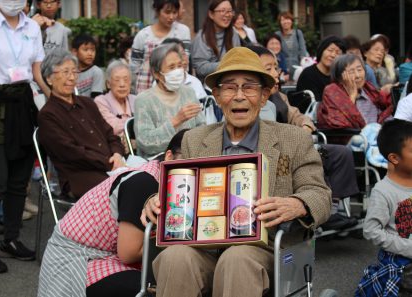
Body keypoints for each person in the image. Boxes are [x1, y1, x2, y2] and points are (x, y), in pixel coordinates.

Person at [142, 46, 331, 297]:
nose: (239, 96)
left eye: (249, 87)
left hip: (264, 250)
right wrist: (156, 201)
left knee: (237, 259)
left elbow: (319, 193)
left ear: (264, 96)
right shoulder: (194, 140)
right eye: (230, 87)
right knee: (175, 257)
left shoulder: (293, 139)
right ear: (218, 96)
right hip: (204, 249)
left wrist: (296, 204)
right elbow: (177, 191)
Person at [38, 130, 187, 297]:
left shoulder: (160, 177)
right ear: (168, 156)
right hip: (79, 261)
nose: (194, 169)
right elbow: (128, 253)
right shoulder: (145, 183)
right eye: (188, 160)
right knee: (162, 289)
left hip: (104, 253)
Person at [0, 0, 50, 273]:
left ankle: (11, 240)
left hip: (22, 104)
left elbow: (36, 72)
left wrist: (54, 99)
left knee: (19, 179)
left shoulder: (32, 26)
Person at [249, 44, 358, 230]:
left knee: (341, 153)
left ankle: (335, 206)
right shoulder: (251, 101)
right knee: (314, 157)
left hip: (296, 144)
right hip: (273, 151)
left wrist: (304, 129)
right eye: (269, 69)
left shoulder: (280, 97)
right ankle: (322, 212)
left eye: (276, 68)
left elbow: (299, 117)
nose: (276, 73)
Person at [38, 49, 125, 199]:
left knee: (145, 180)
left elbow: (109, 134)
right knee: (127, 189)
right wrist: (108, 163)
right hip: (80, 176)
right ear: (49, 79)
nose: (72, 78)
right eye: (65, 72)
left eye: (74, 72)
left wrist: (117, 154)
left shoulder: (88, 103)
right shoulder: (48, 115)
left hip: (111, 166)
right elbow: (72, 153)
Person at [355, 119, 412, 297]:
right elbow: (371, 231)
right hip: (400, 261)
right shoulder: (383, 191)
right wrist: (407, 247)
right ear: (394, 158)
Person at [134, 43, 205, 159]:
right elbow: (145, 143)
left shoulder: (189, 93)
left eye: (179, 66)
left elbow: (202, 127)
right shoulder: (143, 100)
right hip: (158, 161)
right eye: (171, 67)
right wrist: (176, 121)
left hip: (191, 156)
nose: (177, 71)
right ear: (156, 73)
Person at [318, 54, 393, 130]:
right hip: (353, 138)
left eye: (359, 70)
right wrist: (352, 98)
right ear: (340, 77)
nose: (357, 75)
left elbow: (385, 114)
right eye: (351, 72)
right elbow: (340, 124)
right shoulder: (332, 91)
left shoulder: (369, 89)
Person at [130, 0, 190, 94]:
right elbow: (134, 66)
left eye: (174, 12)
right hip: (147, 87)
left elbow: (185, 61)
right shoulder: (143, 35)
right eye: (167, 12)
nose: (171, 17)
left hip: (175, 86)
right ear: (157, 11)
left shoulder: (182, 32)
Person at [191, 0, 241, 82]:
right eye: (222, 11)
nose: (227, 14)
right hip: (210, 86)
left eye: (230, 11)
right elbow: (200, 68)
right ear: (211, 14)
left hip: (231, 82)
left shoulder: (233, 34)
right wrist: (226, 64)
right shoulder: (202, 37)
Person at [296, 35, 346, 101]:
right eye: (330, 50)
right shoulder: (308, 74)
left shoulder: (340, 76)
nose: (333, 55)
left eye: (338, 53)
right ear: (321, 50)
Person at [95, 61, 135, 136]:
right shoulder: (100, 101)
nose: (122, 84)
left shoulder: (136, 100)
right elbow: (112, 127)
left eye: (126, 80)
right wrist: (136, 123)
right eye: (117, 80)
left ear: (130, 82)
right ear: (108, 84)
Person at [275, 11, 308, 78]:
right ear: (280, 22)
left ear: (291, 21)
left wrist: (303, 66)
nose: (285, 22)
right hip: (282, 69)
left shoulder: (298, 33)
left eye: (287, 19)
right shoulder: (277, 35)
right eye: (283, 20)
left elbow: (303, 50)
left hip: (298, 68)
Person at [71, 34, 105, 98]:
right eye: (85, 50)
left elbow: (96, 98)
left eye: (93, 50)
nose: (90, 54)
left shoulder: (96, 72)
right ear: (74, 51)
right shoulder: (71, 72)